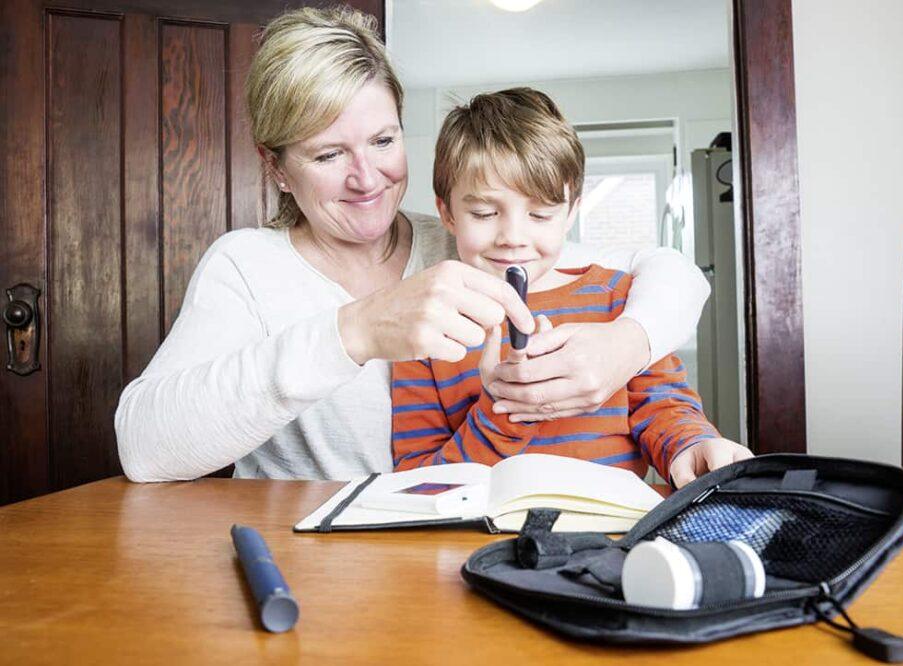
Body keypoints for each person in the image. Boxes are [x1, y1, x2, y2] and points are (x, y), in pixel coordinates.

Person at [115, 6, 711, 483]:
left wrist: (628, 345)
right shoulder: (246, 266)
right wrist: (355, 332)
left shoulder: (470, 239)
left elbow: (665, 271)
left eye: (382, 140)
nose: (367, 178)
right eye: (328, 154)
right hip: (312, 573)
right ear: (274, 166)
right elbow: (144, 450)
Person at [391, 88, 751, 487]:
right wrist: (499, 410)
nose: (513, 236)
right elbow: (416, 481)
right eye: (484, 212)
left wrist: (690, 445)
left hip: (611, 535)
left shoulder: (619, 299)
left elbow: (664, 406)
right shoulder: (427, 327)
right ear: (447, 213)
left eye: (541, 214)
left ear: (571, 212)